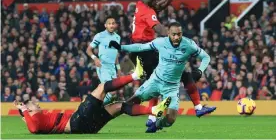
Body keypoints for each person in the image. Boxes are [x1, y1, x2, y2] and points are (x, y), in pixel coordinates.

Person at [129, 0, 215, 131]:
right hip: (145, 51)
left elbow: (160, 6)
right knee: (178, 76)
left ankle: (152, 117)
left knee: (166, 78)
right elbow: (161, 29)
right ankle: (195, 108)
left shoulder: (142, 4)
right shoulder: (147, 12)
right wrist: (176, 38)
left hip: (142, 50)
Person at [109, 22, 216, 133]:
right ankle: (114, 114)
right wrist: (121, 47)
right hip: (155, 81)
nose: (176, 37)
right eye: (174, 34)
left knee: (170, 120)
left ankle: (156, 124)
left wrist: (199, 70)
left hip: (172, 87)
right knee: (129, 104)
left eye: (179, 34)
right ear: (168, 33)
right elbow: (141, 47)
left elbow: (206, 57)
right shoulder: (160, 42)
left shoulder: (188, 45)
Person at [14, 64, 172, 134]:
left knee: (119, 106)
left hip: (87, 127)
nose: (36, 104)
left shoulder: (36, 118)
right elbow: (33, 128)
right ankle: (135, 75)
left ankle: (153, 110)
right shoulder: (34, 119)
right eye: (33, 104)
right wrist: (24, 110)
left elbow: (31, 123)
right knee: (102, 87)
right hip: (77, 121)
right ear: (30, 110)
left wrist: (24, 111)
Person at [86, 16, 121, 105]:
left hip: (112, 67)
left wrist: (119, 68)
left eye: (113, 23)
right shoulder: (100, 36)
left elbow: (116, 54)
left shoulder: (117, 37)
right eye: (109, 24)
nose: (111, 25)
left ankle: (95, 106)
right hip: (103, 66)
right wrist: (95, 58)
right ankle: (95, 108)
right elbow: (88, 50)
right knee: (111, 91)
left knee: (112, 93)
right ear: (105, 25)